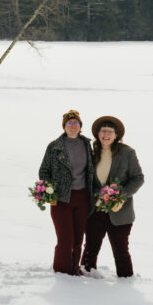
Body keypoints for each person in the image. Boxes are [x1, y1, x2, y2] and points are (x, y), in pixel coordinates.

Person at [81, 115, 145, 278]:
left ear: (116, 135)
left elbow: (138, 178)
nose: (106, 134)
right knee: (90, 248)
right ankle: (85, 280)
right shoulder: (92, 153)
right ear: (97, 134)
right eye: (103, 131)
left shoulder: (127, 153)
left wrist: (119, 196)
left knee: (121, 250)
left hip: (120, 211)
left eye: (110, 131)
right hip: (95, 210)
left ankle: (126, 283)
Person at [39, 109, 94, 275]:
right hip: (61, 199)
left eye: (76, 123)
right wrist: (49, 188)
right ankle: (62, 272)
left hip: (82, 197)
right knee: (65, 239)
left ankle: (74, 268)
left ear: (80, 126)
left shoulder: (86, 144)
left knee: (78, 238)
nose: (73, 126)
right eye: (69, 123)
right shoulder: (54, 147)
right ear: (64, 126)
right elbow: (44, 171)